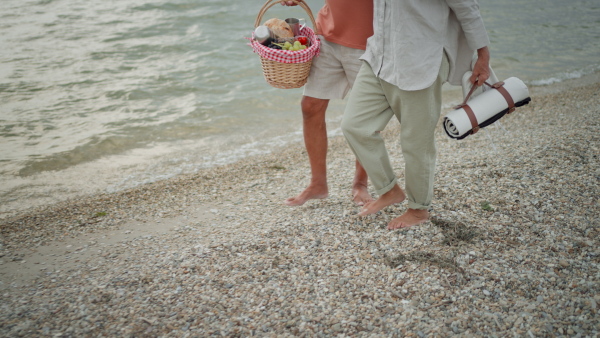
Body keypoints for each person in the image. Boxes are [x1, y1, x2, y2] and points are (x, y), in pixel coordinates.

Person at [341, 0, 491, 230]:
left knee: (416, 141)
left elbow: (467, 7)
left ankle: (419, 209)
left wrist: (483, 56)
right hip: (379, 55)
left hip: (421, 59)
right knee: (354, 125)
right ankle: (389, 190)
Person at [279, 0, 375, 207]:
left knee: (365, 116)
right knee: (310, 107)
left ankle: (360, 183)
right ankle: (318, 184)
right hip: (327, 34)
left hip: (368, 41)